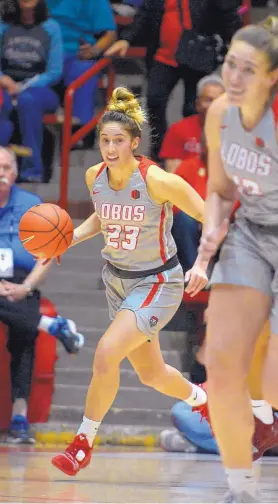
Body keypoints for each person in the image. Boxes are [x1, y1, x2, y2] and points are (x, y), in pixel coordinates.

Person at [51, 86, 209, 476]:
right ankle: (203, 400)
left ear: (134, 142)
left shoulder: (157, 179)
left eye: (118, 140)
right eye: (104, 140)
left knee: (106, 352)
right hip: (117, 281)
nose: (109, 147)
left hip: (158, 282)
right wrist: (67, 237)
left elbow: (211, 217)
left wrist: (204, 263)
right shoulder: (94, 175)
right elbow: (103, 219)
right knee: (151, 375)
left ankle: (83, 443)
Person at [190, 16, 278, 502]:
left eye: (246, 70)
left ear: (272, 75)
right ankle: (240, 489)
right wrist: (212, 229)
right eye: (229, 65)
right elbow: (220, 188)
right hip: (251, 234)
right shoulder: (220, 114)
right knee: (221, 366)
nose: (232, 78)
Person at [0, 146, 85, 444]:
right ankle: (51, 325)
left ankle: (19, 417)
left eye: (7, 167)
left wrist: (27, 287)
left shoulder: (31, 205)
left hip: (22, 281)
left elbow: (47, 255)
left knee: (24, 335)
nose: (1, 172)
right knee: (29, 321)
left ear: (15, 173)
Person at [105, 0, 241, 161]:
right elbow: (146, 14)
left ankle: (194, 149)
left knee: (193, 108)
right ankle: (161, 148)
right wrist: (127, 39)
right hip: (163, 55)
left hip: (198, 55)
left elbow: (228, 15)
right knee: (154, 99)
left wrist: (237, 42)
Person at [0, 0, 63, 182]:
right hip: (5, 85)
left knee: (27, 101)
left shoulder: (51, 28)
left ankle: (32, 170)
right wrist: (4, 80)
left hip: (39, 88)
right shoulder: (4, 25)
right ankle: (3, 166)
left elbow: (54, 72)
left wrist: (22, 87)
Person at [47, 0, 116, 127]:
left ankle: (80, 130)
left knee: (83, 69)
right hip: (41, 53)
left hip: (75, 54)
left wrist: (95, 50)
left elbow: (109, 34)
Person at [159, 74, 224, 173]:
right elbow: (173, 176)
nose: (214, 106)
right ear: (198, 104)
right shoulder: (178, 130)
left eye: (219, 101)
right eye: (208, 100)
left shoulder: (237, 133)